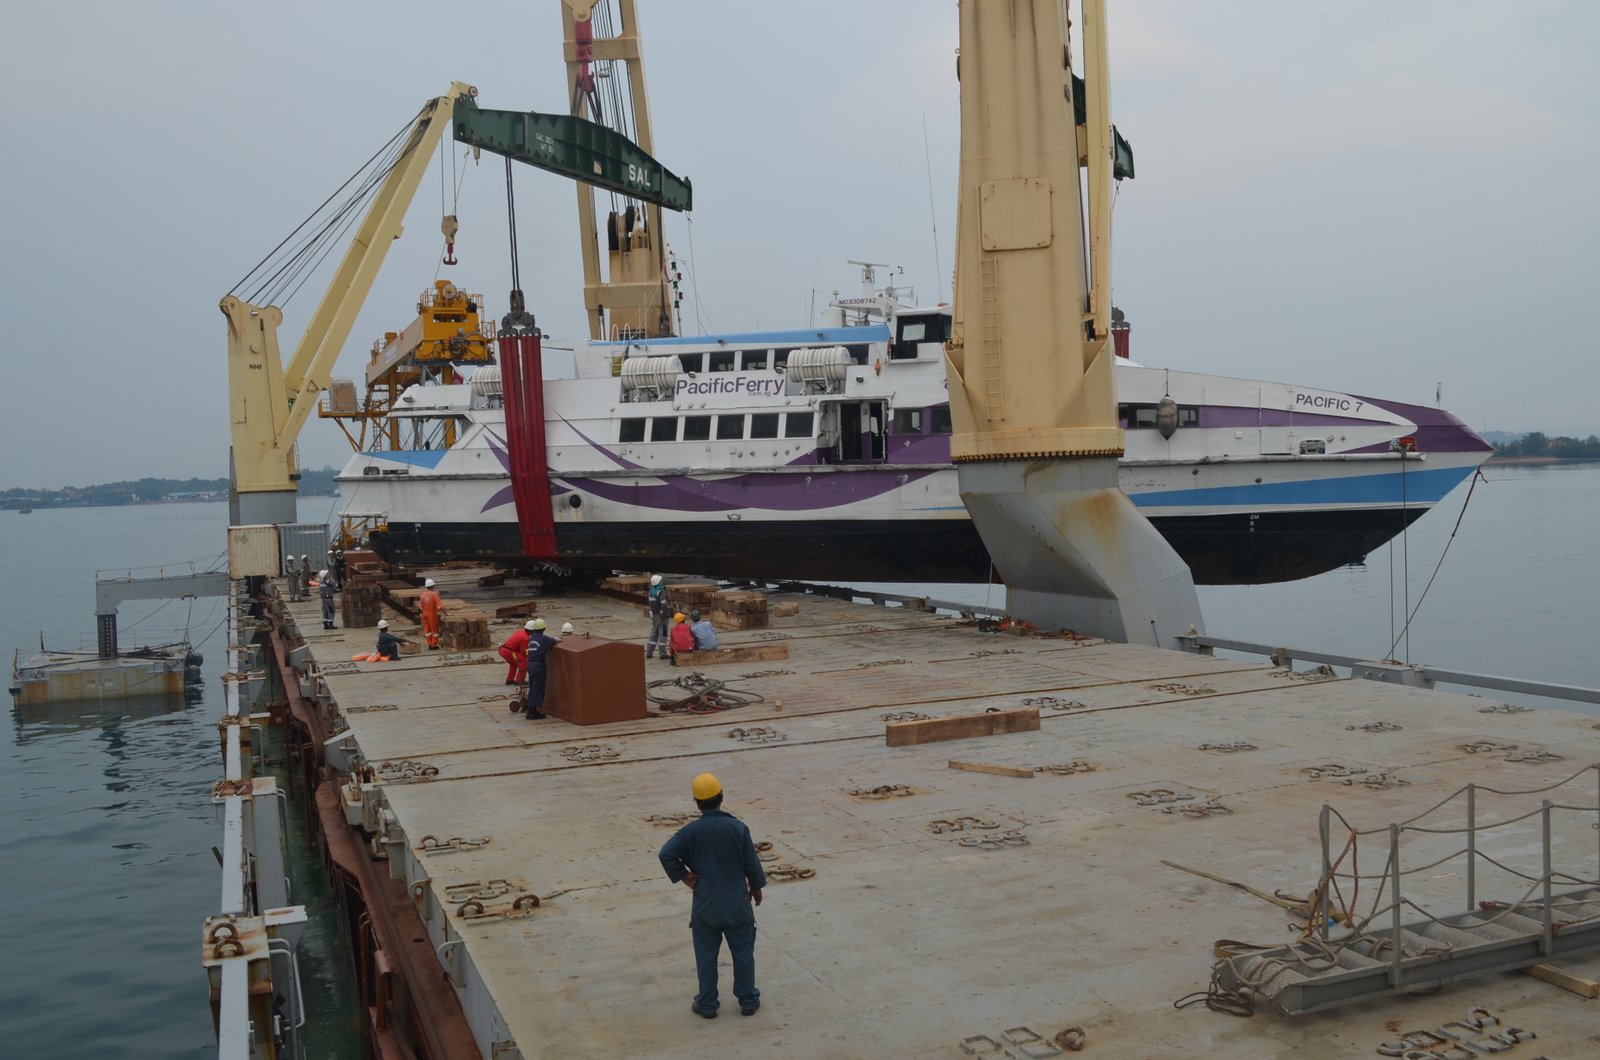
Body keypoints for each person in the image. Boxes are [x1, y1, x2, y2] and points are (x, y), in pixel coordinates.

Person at [658, 772, 765, 1019]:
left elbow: (666, 854)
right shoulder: (738, 828)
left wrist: (684, 876)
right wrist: (756, 887)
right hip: (738, 904)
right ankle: (748, 1000)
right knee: (743, 952)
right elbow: (752, 862)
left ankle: (707, 1004)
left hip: (706, 905)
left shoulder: (689, 832)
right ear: (721, 797)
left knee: (706, 955)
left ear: (697, 803)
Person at [523, 618, 558, 720]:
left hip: (530, 666)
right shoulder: (544, 639)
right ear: (544, 628)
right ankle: (534, 713)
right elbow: (553, 641)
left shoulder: (531, 638)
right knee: (538, 689)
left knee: (533, 688)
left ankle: (529, 712)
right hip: (538, 666)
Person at [499, 619, 536, 685]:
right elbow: (523, 653)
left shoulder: (521, 631)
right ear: (532, 631)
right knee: (524, 661)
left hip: (504, 650)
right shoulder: (525, 638)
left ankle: (510, 679)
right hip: (509, 652)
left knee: (514, 663)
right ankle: (520, 680)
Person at [645, 574, 669, 659]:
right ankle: (663, 654)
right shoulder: (660, 591)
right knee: (663, 633)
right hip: (661, 615)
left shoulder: (651, 591)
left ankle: (649, 652)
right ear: (659, 582)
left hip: (654, 615)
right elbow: (664, 604)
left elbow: (651, 603)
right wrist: (665, 614)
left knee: (654, 633)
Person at [419, 578, 442, 650]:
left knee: (427, 630)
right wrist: (446, 613)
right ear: (433, 586)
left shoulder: (422, 595)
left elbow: (421, 606)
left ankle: (429, 643)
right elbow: (440, 607)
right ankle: (434, 645)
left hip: (424, 614)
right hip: (431, 615)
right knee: (434, 630)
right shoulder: (434, 595)